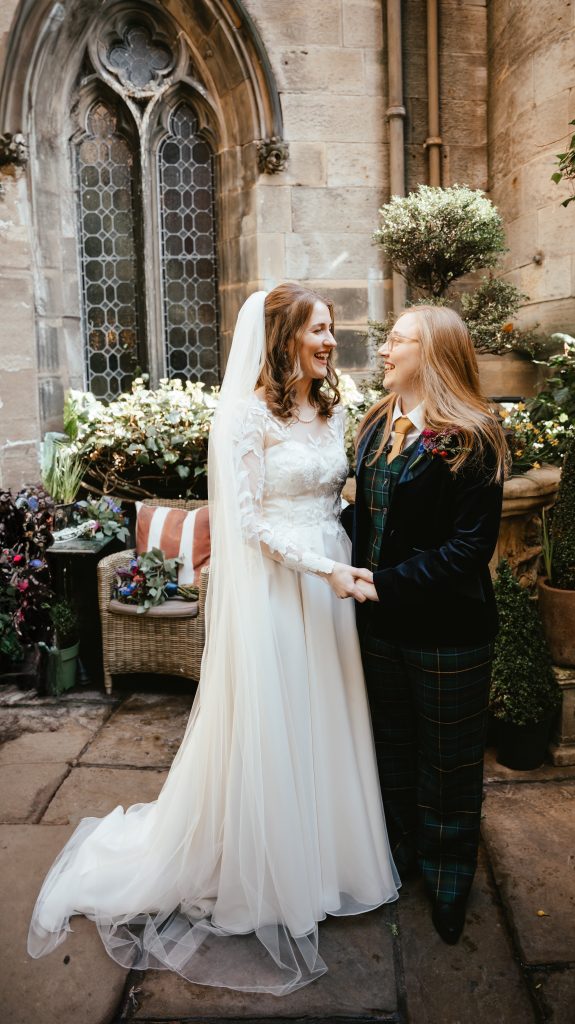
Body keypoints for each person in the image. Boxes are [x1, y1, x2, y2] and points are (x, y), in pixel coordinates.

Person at [27, 285, 399, 994]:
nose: (330, 341)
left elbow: (334, 492)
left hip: (331, 584)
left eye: (331, 330)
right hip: (282, 587)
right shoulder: (241, 415)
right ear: (283, 335)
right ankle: (272, 874)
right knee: (278, 718)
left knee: (325, 716)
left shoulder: (331, 405)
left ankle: (331, 861)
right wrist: (329, 569)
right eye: (317, 330)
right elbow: (250, 524)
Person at [342, 304, 507, 945]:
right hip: (379, 630)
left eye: (396, 341)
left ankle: (449, 875)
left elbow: (470, 548)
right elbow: (370, 517)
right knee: (394, 747)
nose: (383, 350)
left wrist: (383, 584)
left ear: (433, 353)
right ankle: (402, 850)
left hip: (448, 633)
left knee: (450, 762)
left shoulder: (474, 436)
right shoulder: (377, 425)